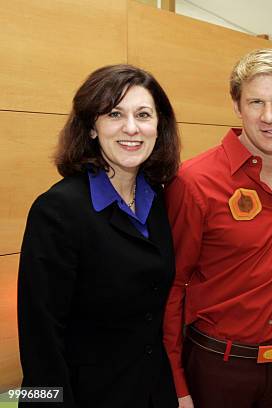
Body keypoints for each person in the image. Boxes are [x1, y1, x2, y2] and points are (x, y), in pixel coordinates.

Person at [18, 64, 181, 407]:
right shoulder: (57, 210)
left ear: (158, 125)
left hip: (153, 391)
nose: (131, 128)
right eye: (114, 114)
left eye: (143, 114)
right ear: (92, 127)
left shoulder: (158, 199)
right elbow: (39, 342)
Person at [163, 49, 272, 408]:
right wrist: (176, 384)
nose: (269, 116)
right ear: (237, 106)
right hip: (219, 368)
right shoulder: (194, 181)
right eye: (255, 102)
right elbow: (171, 287)